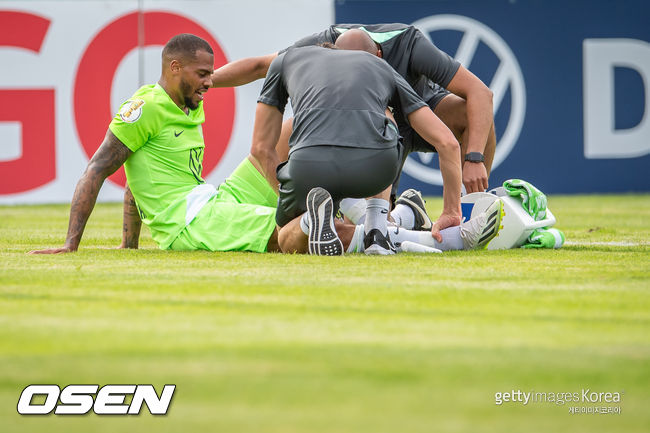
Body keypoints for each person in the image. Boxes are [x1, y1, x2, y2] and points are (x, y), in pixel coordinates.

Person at [30, 34, 284, 255]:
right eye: (203, 74)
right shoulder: (145, 109)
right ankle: (314, 223)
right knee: (286, 231)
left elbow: (136, 176)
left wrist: (129, 244)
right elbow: (95, 170)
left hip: (214, 199)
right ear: (175, 67)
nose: (209, 82)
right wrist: (70, 244)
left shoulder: (189, 100)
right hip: (189, 223)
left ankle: (312, 204)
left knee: (290, 129)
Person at [250, 41, 502, 256]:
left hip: (306, 167)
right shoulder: (381, 67)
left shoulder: (286, 60)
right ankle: (390, 223)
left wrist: (292, 200)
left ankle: (314, 220)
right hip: (376, 168)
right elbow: (446, 142)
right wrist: (450, 211)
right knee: (382, 116)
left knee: (285, 236)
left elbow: (261, 148)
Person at [210, 23, 496, 203]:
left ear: (380, 58)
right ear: (331, 53)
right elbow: (261, 66)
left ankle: (475, 208)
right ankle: (347, 211)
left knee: (473, 116)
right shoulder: (321, 43)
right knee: (296, 127)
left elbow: (481, 94)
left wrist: (473, 157)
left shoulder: (409, 43)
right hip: (364, 123)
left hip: (420, 114)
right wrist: (202, 82)